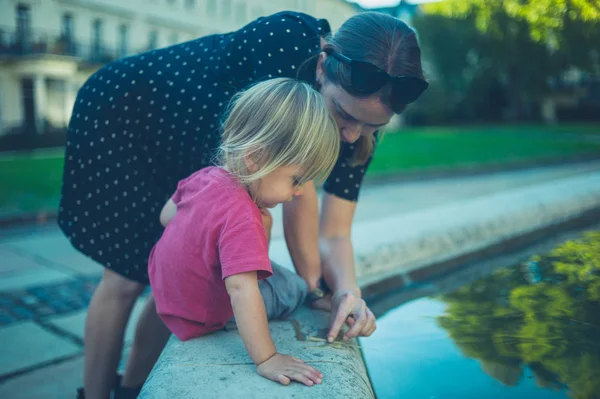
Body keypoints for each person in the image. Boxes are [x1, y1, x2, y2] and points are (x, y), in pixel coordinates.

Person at [59, 10, 427, 398]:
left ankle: (133, 388)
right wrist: (314, 290)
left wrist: (346, 293)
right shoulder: (284, 41)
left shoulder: (360, 120)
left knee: (184, 262)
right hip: (130, 113)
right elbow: (297, 201)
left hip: (207, 153)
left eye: (373, 126)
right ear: (322, 67)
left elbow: (334, 231)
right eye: (344, 114)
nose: (353, 135)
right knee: (125, 278)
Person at [149, 77, 339, 387]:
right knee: (291, 286)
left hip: (167, 295)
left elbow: (165, 217)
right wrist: (267, 358)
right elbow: (241, 290)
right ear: (255, 159)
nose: (299, 193)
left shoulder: (204, 176)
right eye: (296, 179)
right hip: (201, 314)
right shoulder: (243, 216)